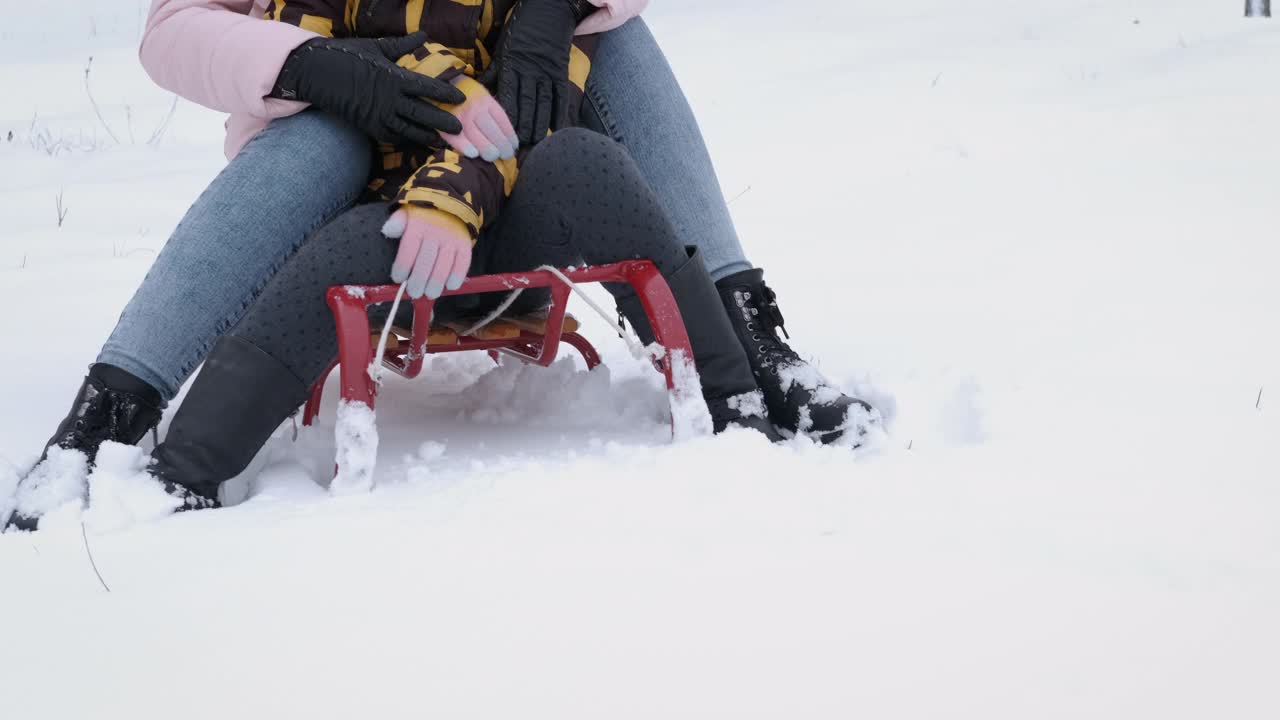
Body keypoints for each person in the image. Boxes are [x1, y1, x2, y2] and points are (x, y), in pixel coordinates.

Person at [3, 0, 875, 529]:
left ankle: (747, 336)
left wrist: (547, 10)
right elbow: (174, 30)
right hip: (350, 173)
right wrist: (315, 64)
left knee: (619, 36)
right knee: (315, 139)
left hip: (526, 149)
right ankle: (111, 414)